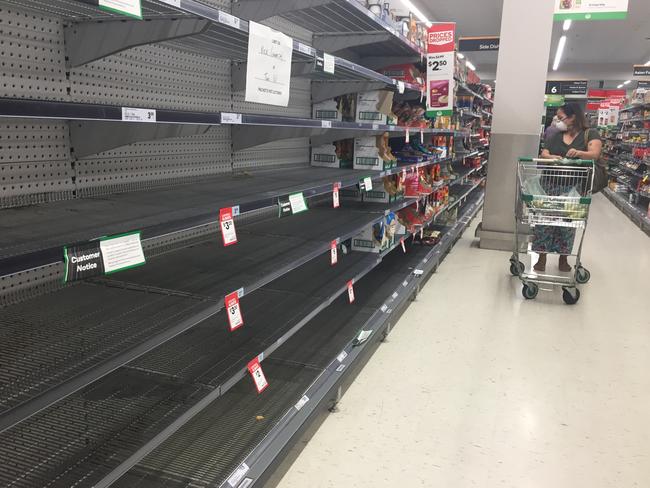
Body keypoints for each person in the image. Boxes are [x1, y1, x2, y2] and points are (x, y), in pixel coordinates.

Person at [533, 103, 603, 272]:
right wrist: (551, 157)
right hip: (549, 184)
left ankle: (563, 259)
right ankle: (541, 256)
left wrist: (579, 153)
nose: (558, 120)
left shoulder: (590, 134)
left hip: (573, 187)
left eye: (561, 117)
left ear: (573, 117)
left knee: (567, 223)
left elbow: (594, 154)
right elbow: (544, 152)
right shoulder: (556, 135)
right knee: (544, 221)